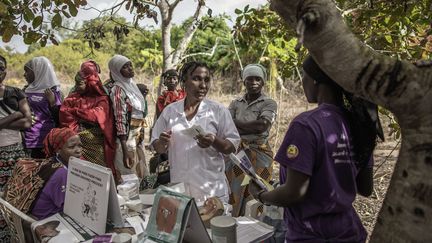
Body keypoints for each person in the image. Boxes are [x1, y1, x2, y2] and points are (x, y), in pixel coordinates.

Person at [249, 56, 384, 242]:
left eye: (303, 76)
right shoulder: (357, 124)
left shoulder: (306, 125)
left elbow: (294, 193)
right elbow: (366, 188)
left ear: (315, 80)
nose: (302, 82)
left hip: (311, 234)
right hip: (349, 232)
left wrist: (263, 196)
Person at [151, 61, 240, 205]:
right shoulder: (170, 111)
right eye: (196, 79)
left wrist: (214, 141)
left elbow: (231, 146)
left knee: (212, 227)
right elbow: (157, 145)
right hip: (180, 191)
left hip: (211, 192)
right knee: (184, 226)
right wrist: (162, 142)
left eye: (206, 80)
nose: (203, 85)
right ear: (184, 80)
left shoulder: (218, 111)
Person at [226, 64, 277, 217]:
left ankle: (255, 228)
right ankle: (234, 223)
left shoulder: (269, 103)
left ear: (263, 82)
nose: (253, 82)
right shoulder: (236, 103)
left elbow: (262, 126)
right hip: (238, 153)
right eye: (249, 79)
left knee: (258, 189)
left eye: (258, 79)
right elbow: (226, 124)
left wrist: (236, 125)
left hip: (260, 152)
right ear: (244, 81)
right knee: (234, 188)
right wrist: (247, 126)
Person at [5, 127, 82, 220]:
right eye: (72, 147)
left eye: (80, 145)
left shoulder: (50, 163)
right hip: (47, 220)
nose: (78, 150)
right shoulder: (61, 174)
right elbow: (71, 207)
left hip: (36, 217)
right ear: (58, 150)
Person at [59, 60, 117, 179]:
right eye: (76, 83)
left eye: (79, 84)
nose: (76, 87)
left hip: (96, 146)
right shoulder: (72, 97)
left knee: (98, 175)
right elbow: (64, 114)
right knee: (80, 175)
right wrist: (83, 116)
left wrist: (76, 112)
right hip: (77, 142)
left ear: (89, 83)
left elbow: (98, 115)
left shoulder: (102, 97)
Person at [0, 55, 32, 242]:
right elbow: (21, 117)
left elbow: (27, 122)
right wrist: (14, 116)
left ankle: (17, 237)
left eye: (1, 67)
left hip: (15, 153)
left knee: (16, 197)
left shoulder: (16, 93)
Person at [109, 55, 149, 179]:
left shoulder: (132, 86)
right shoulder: (118, 89)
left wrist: (141, 138)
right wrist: (125, 149)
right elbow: (120, 119)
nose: (130, 68)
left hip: (137, 138)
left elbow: (140, 113)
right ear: (117, 71)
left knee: (141, 173)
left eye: (130, 65)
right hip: (126, 141)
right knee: (129, 178)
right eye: (124, 67)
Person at [23, 56, 62, 159]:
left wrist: (53, 102)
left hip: (45, 139)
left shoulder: (53, 91)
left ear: (38, 72)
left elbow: (59, 118)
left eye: (27, 71)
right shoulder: (25, 91)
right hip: (28, 139)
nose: (24, 75)